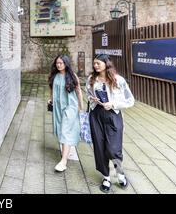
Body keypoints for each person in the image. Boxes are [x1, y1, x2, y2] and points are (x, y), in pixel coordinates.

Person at [86, 54, 135, 193]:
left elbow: (130, 100)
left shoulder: (118, 80)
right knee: (99, 148)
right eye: (94, 63)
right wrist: (92, 99)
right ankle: (106, 177)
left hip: (113, 116)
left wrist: (113, 104)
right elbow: (87, 93)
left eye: (98, 63)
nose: (95, 66)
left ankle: (120, 173)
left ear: (106, 64)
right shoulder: (91, 79)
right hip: (96, 115)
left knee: (113, 149)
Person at [48, 55, 83, 172]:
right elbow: (52, 89)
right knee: (60, 129)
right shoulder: (54, 76)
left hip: (70, 107)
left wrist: (81, 108)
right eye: (57, 63)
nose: (59, 65)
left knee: (65, 131)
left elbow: (79, 92)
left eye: (61, 63)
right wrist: (51, 99)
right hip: (58, 107)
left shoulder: (72, 76)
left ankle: (63, 161)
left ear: (66, 64)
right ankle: (67, 148)